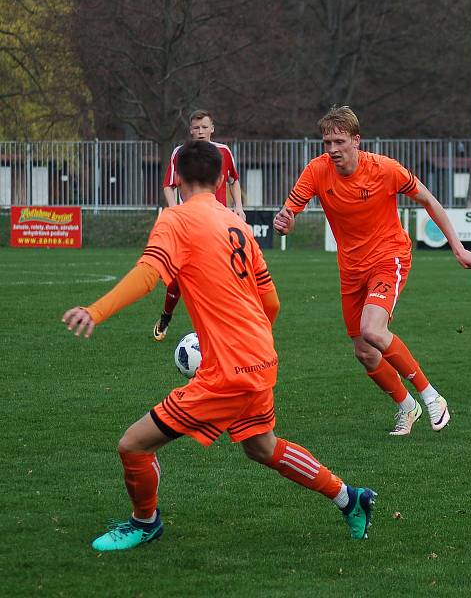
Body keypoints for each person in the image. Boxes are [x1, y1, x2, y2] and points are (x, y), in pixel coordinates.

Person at [62, 140, 375, 552]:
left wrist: (96, 311)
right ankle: (349, 497)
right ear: (222, 178)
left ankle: (145, 522)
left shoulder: (176, 219)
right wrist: (251, 343)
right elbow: (271, 301)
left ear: (176, 177)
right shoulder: (237, 224)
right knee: (262, 446)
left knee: (133, 445)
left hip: (229, 372)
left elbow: (148, 275)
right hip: (261, 357)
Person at [273, 106, 471, 436]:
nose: (332, 150)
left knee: (373, 330)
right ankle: (408, 407)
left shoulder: (385, 169)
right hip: (351, 269)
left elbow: (429, 201)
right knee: (366, 353)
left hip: (389, 257)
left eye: (339, 141)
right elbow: (288, 214)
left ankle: (432, 397)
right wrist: (284, 223)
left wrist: (457, 247)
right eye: (327, 142)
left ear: (356, 140)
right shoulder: (316, 171)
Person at [153, 109, 245, 341]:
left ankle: (223, 324)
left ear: (212, 129)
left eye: (205, 127)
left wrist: (239, 207)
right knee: (178, 276)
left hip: (220, 225)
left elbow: (234, 181)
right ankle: (166, 315)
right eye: (196, 128)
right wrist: (175, 209)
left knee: (224, 273)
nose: (200, 131)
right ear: (190, 131)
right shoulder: (180, 153)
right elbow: (168, 185)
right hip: (190, 224)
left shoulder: (223, 152)